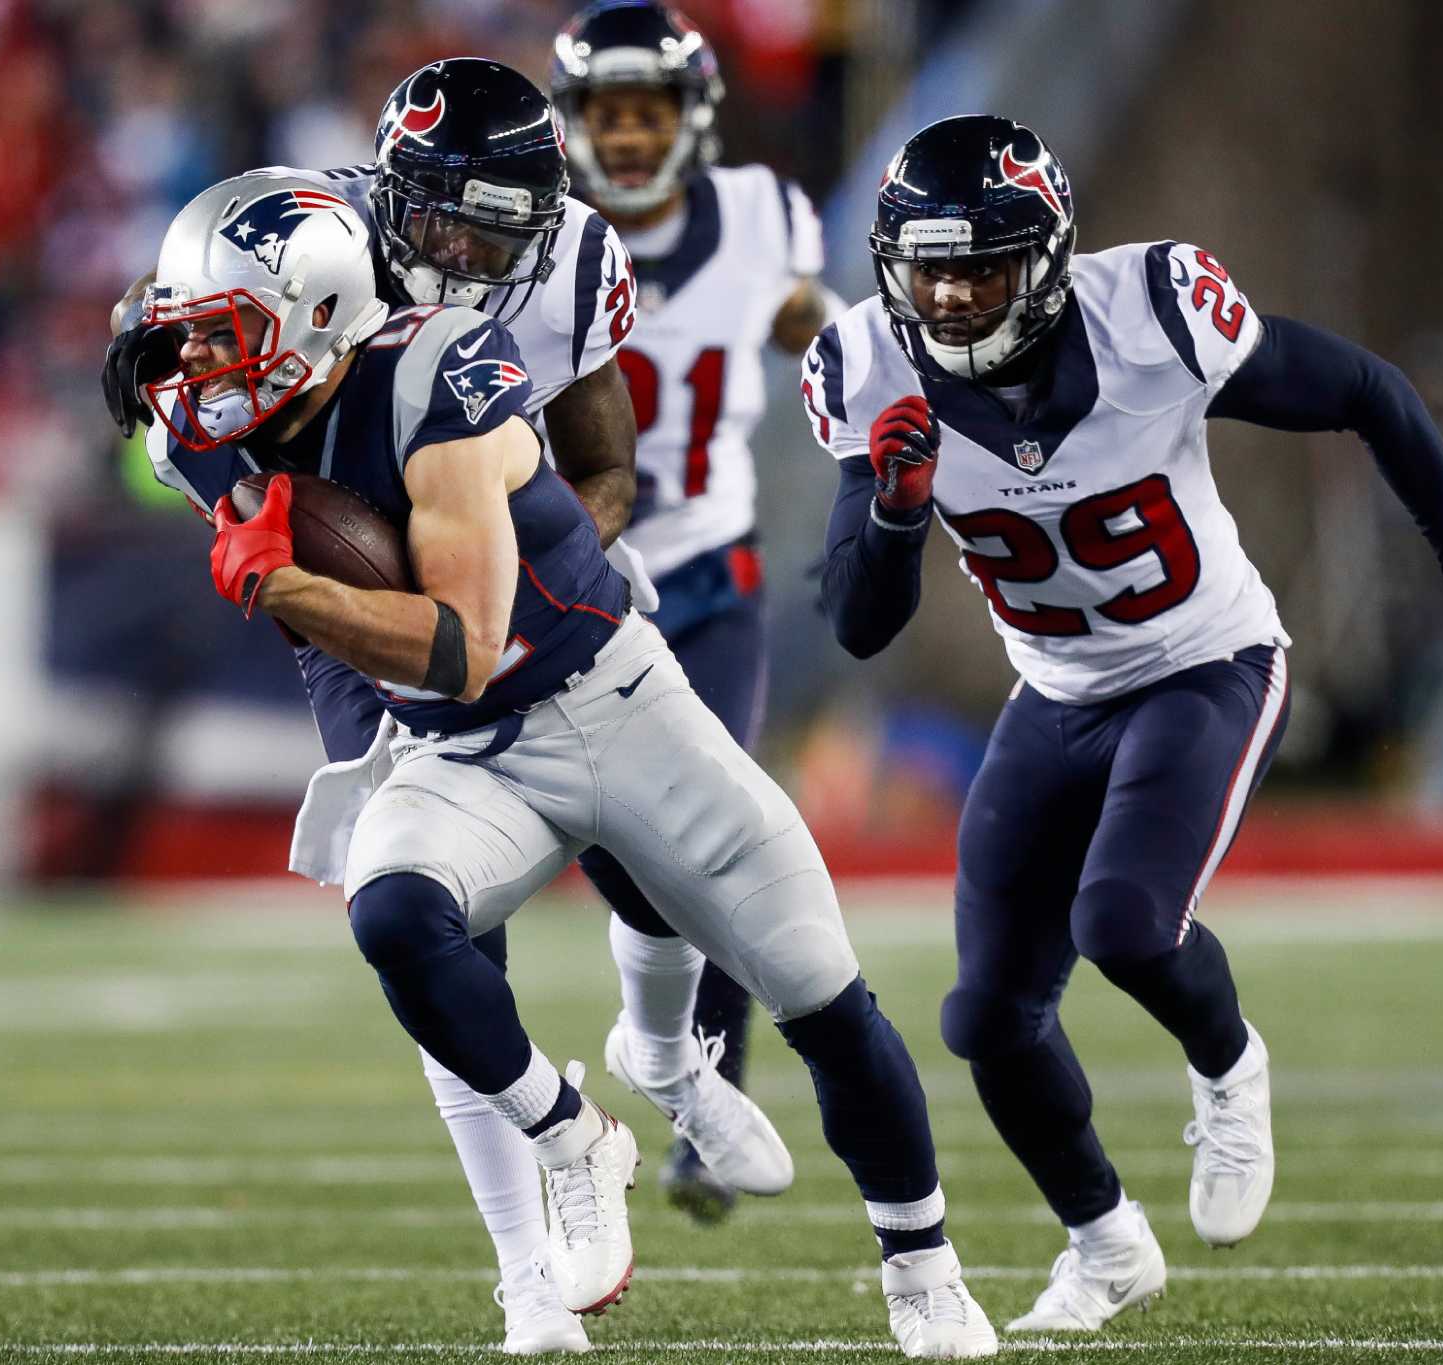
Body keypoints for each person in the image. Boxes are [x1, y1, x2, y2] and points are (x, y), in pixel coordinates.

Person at [133, 167, 998, 1358]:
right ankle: (567, 1133)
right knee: (391, 914)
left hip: (605, 698)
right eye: (193, 338)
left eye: (226, 338)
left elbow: (463, 648)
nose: (201, 369)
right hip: (461, 757)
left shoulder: (439, 370)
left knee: (818, 989)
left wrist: (285, 585)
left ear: (320, 316)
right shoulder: (192, 417)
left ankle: (924, 1273)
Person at [805, 115, 1443, 1335]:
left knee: (1124, 924)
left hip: (1205, 663)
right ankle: (1103, 1245)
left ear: (1044, 260)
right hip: (1054, 690)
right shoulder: (868, 367)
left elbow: (1367, 391)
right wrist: (891, 514)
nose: (948, 293)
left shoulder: (1152, 312)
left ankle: (1227, 1065)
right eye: (926, 267)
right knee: (982, 1019)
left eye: (980, 266)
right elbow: (856, 628)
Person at [101, 59, 786, 1355]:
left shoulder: (575, 269)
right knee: (425, 914)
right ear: (382, 199)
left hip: (533, 571)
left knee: (654, 840)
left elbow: (601, 464)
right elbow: (191, 418)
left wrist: (519, 600)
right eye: (440, 219)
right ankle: (530, 1271)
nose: (465, 252)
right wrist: (353, 584)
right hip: (369, 618)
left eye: (497, 225)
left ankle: (670, 1058)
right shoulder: (299, 263)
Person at [550, 0, 837, 1224]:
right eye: (602, 113)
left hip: (707, 574)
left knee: (713, 844)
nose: (622, 135)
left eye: (644, 111)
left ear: (690, 117)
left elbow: (806, 327)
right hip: (572, 580)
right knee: (626, 857)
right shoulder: (534, 233)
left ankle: (700, 1097)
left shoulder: (763, 217)